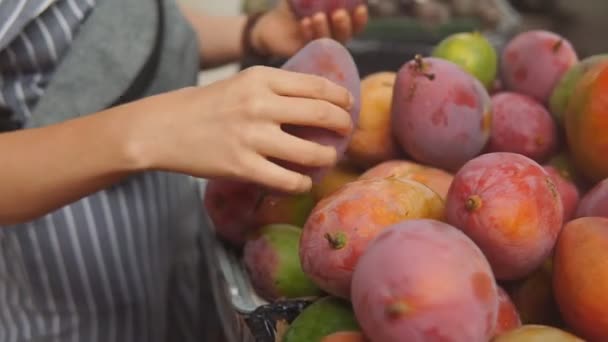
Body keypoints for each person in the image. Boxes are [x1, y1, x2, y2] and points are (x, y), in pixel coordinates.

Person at [0, 0, 368, 341]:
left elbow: (124, 20)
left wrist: (252, 32)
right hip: (71, 297)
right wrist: (147, 129)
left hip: (173, 263)